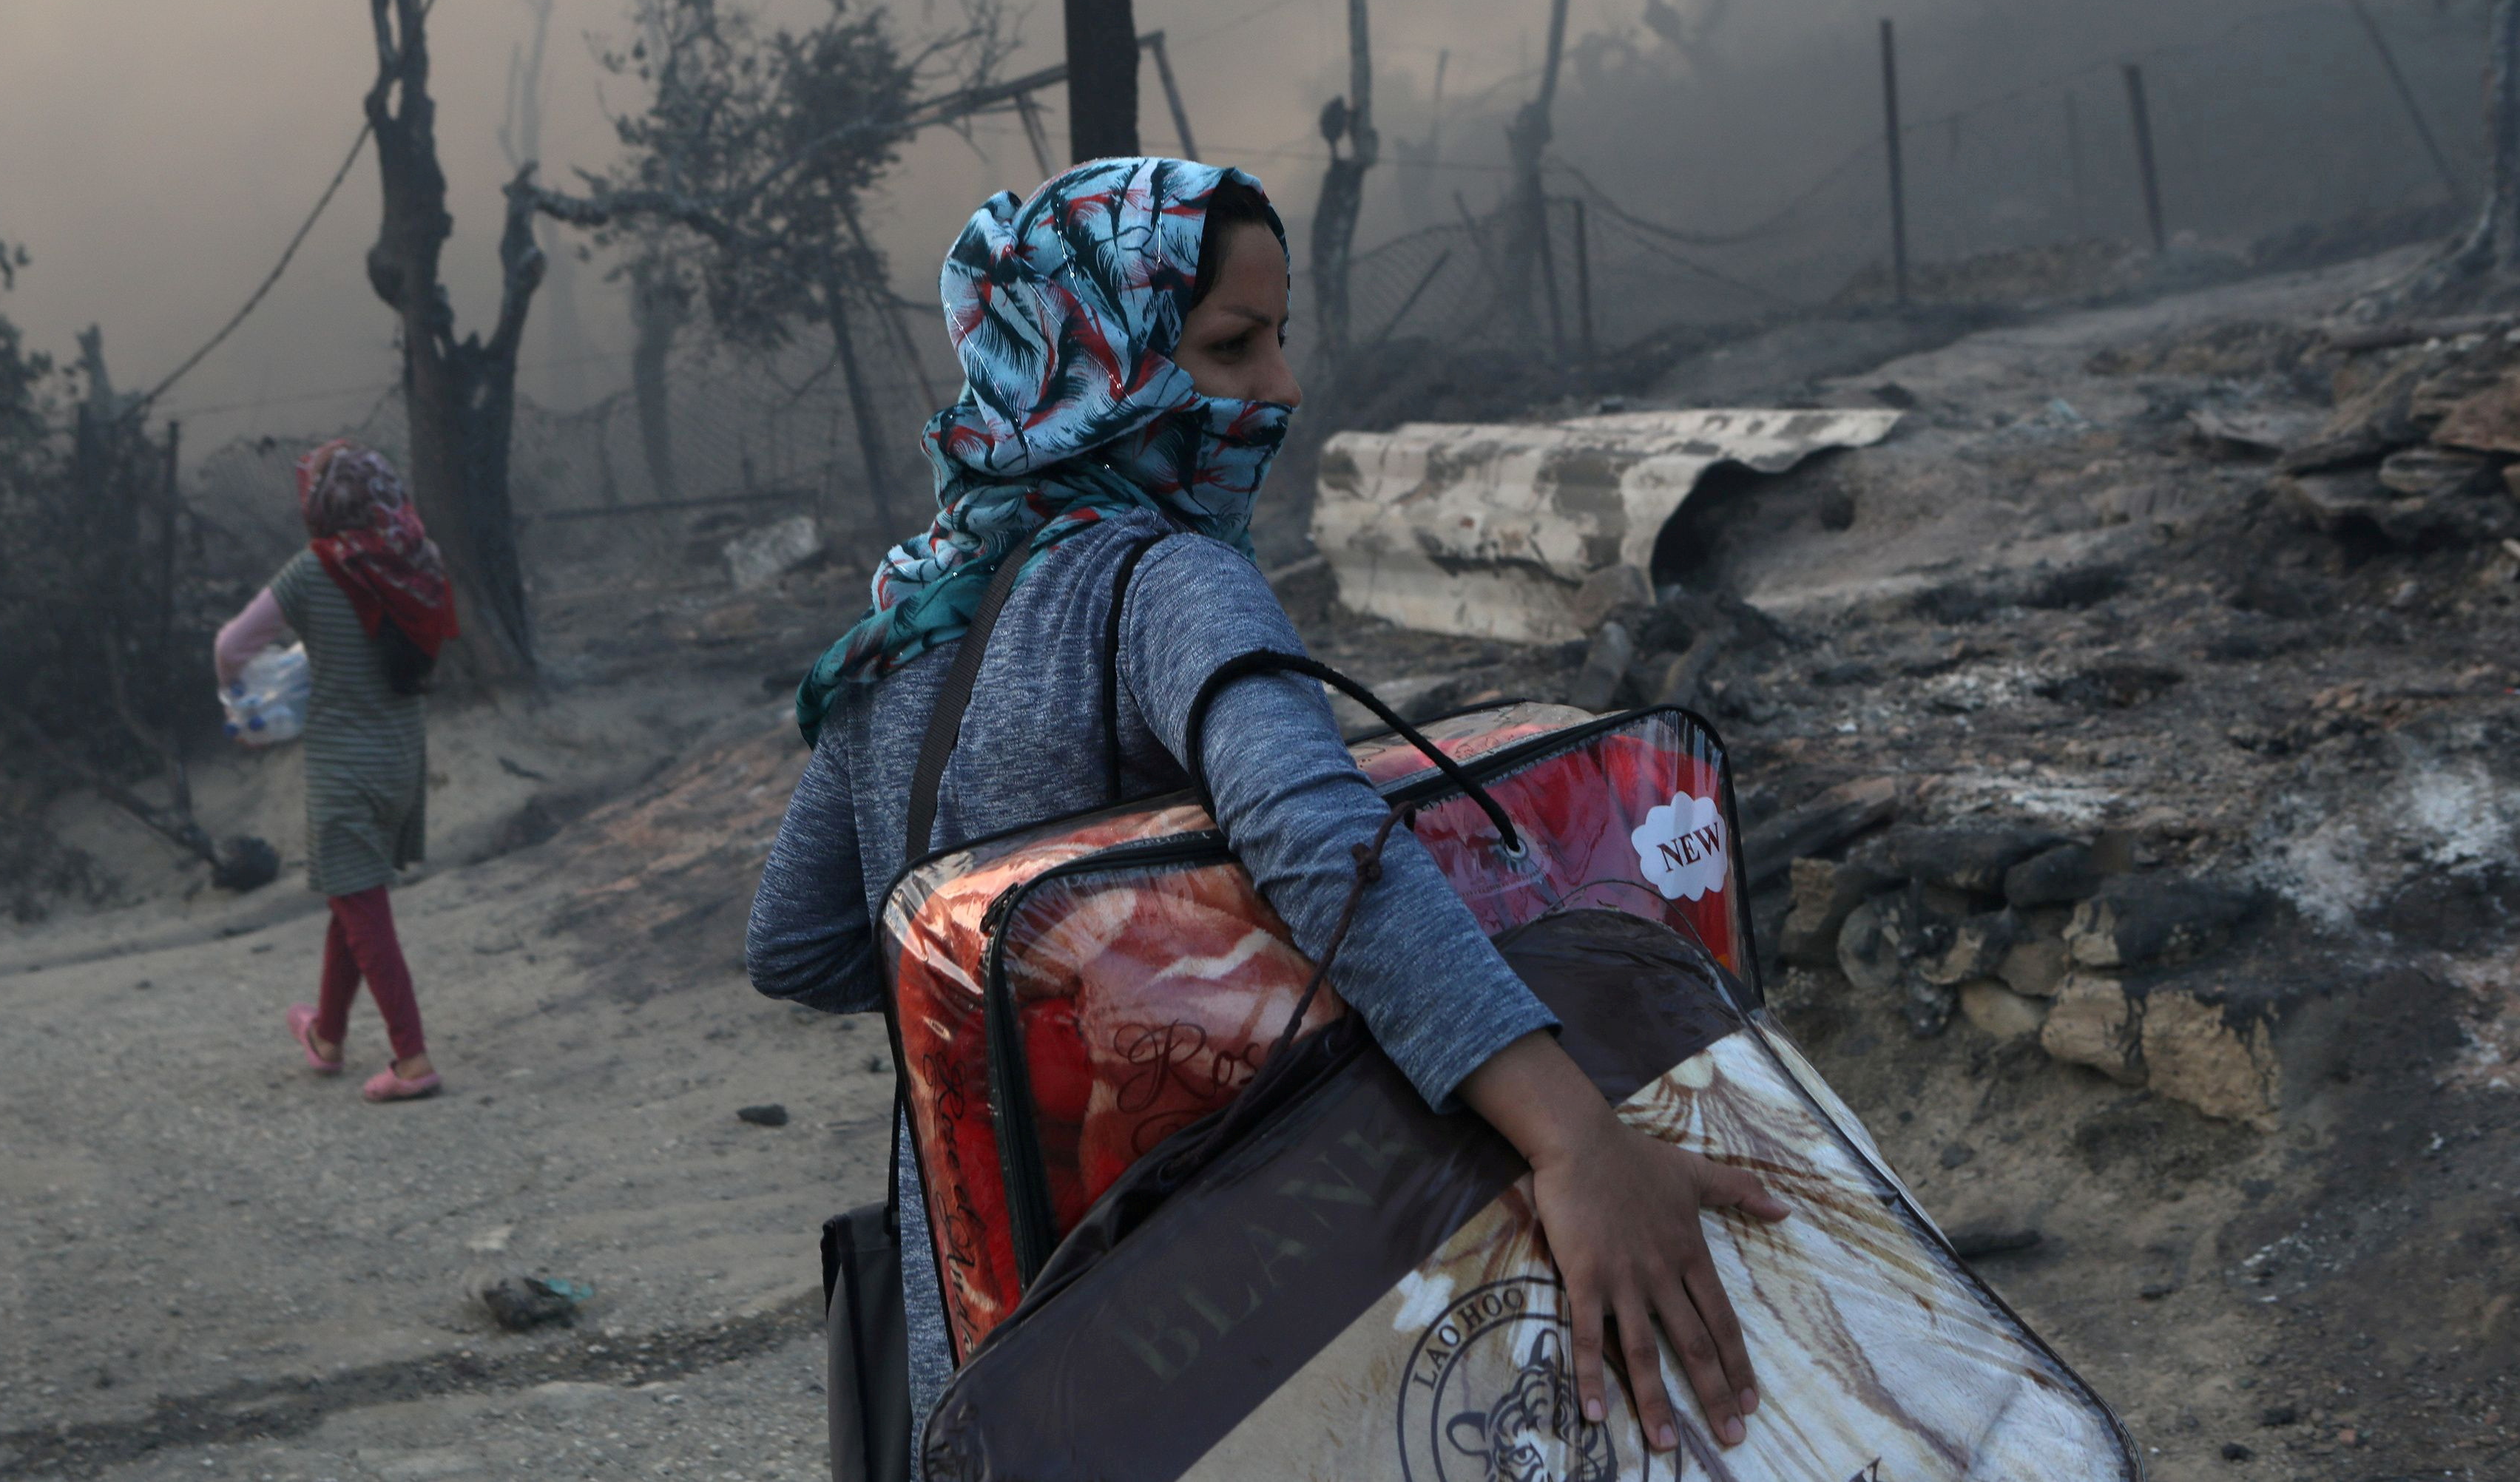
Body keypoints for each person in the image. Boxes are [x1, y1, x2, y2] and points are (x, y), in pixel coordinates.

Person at [746, 158, 1787, 1471]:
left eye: (1279, 338)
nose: (1282, 388)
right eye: (1232, 345)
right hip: (1219, 1298)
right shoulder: (1173, 579)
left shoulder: (905, 631)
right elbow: (1316, 840)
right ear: (1096, 362)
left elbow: (799, 945)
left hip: (991, 1308)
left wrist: (1030, 998)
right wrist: (1574, 1136)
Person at [214, 439, 457, 1103]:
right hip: (403, 758)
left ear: (321, 504)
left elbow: (231, 645)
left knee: (363, 907)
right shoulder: (418, 557)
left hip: (343, 765)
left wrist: (241, 702)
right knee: (350, 896)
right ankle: (326, 1035)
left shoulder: (313, 569)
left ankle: (412, 1060)